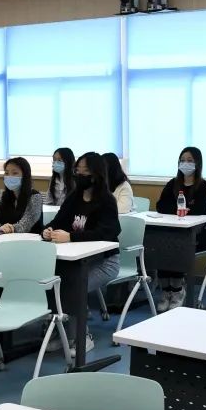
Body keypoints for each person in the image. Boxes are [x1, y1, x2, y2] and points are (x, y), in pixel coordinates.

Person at [41, 151, 121, 355]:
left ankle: (81, 337)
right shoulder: (74, 197)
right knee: (55, 284)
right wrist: (48, 230)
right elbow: (58, 221)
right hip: (75, 261)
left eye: (84, 172)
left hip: (105, 262)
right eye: (77, 170)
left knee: (74, 287)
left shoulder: (106, 200)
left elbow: (107, 233)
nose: (79, 175)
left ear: (95, 175)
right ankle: (62, 334)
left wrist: (71, 237)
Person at [155, 146, 206, 311]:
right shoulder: (172, 184)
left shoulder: (203, 186)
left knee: (176, 246)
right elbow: (161, 205)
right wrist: (179, 210)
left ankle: (178, 290)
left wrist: (182, 210)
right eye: (182, 160)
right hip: (173, 230)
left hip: (197, 234)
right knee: (160, 245)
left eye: (189, 160)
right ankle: (166, 290)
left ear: (197, 163)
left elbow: (201, 208)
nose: (185, 163)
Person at [0, 157, 43, 233]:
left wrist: (8, 228)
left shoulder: (35, 196)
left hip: (29, 238)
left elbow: (25, 226)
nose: (9, 176)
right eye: (6, 173)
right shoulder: (4, 196)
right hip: (4, 237)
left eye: (15, 173)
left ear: (25, 176)